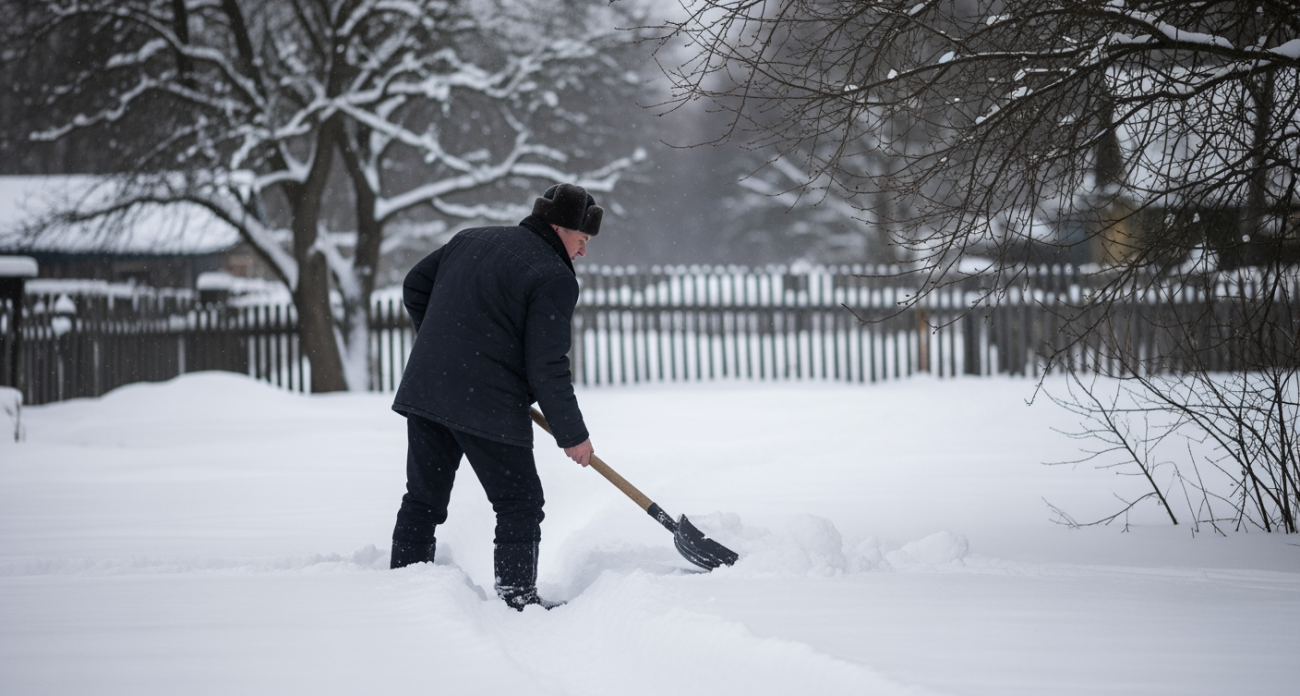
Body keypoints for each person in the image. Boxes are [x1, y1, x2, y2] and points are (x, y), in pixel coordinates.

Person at [389, 183, 600, 611]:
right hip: (488, 401)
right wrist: (572, 434)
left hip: (431, 387)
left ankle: (402, 588)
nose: (582, 253)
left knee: (423, 499)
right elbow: (547, 365)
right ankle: (517, 601)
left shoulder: (472, 238)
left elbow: (415, 285)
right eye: (582, 240)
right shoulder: (554, 277)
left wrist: (445, 348)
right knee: (520, 502)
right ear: (560, 228)